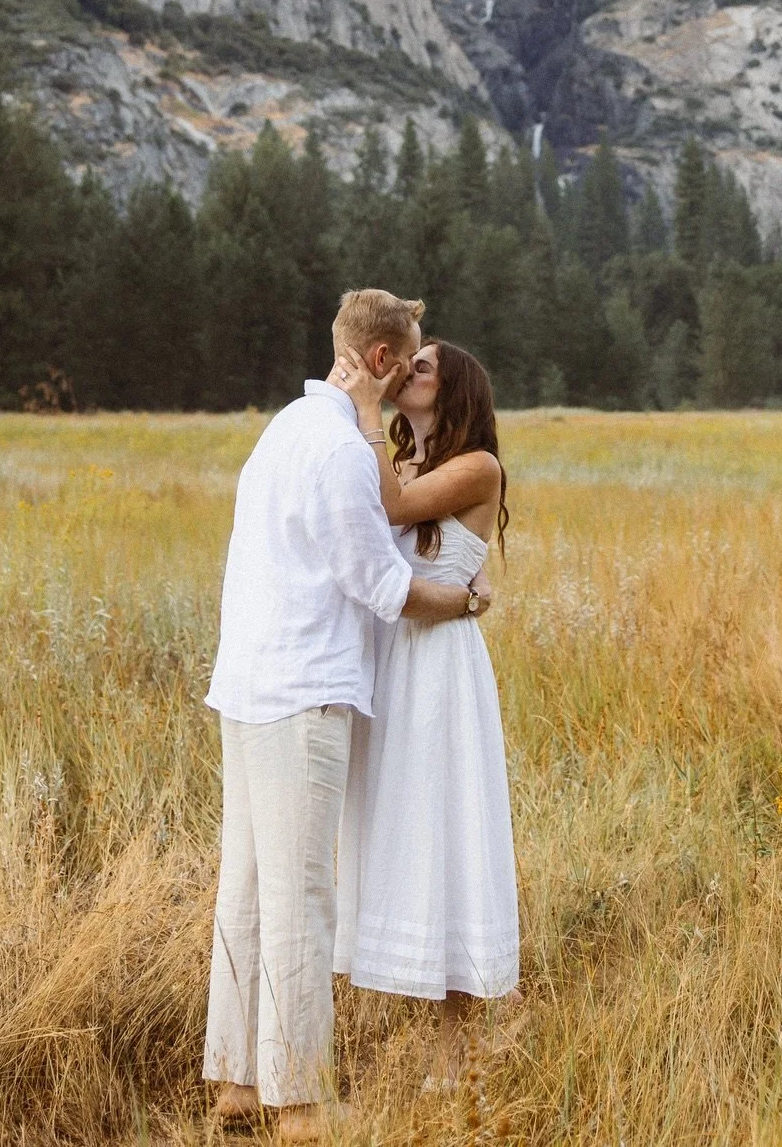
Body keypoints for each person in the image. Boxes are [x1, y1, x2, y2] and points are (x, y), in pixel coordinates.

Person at [203, 290, 493, 1142]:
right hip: (304, 690)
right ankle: (298, 1102)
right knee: (301, 896)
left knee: (249, 887)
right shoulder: (337, 446)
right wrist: (463, 601)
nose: (412, 373)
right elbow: (383, 584)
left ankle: (236, 1082)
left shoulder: (285, 429)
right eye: (409, 359)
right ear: (379, 362)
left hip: (251, 684)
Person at [329, 336, 519, 1086]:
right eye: (408, 360)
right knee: (395, 827)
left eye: (425, 365)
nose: (410, 368)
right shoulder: (403, 459)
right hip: (391, 663)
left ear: (457, 388)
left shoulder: (477, 467)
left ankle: (456, 1054)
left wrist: (367, 412)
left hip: (440, 670)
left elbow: (396, 507)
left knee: (449, 833)